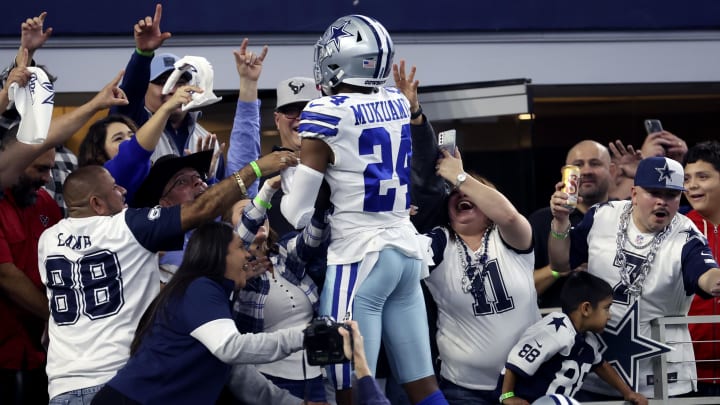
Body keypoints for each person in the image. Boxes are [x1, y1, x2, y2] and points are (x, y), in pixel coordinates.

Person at [37, 152, 294, 404]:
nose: (124, 191)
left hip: (62, 387)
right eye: (115, 188)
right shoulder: (125, 226)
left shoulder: (47, 240)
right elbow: (203, 208)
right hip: (116, 379)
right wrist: (255, 169)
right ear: (97, 204)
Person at [280, 15, 445, 405]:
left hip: (359, 259)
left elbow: (295, 210)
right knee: (423, 386)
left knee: (350, 390)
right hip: (405, 253)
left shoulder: (325, 112)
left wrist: (281, 174)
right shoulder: (395, 101)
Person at [548, 156, 720, 399]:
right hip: (596, 369)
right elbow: (560, 263)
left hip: (664, 377)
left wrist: (716, 281)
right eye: (654, 192)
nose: (662, 201)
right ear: (635, 193)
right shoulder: (601, 216)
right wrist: (560, 220)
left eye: (671, 195)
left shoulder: (687, 234)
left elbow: (707, 276)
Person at [89, 221, 306, 404]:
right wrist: (304, 337)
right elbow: (231, 349)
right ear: (219, 255)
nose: (247, 255)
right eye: (240, 247)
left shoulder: (209, 292)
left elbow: (238, 373)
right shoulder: (200, 287)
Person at [417, 147, 539, 405]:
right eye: (455, 193)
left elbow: (507, 215)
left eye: (473, 191)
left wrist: (460, 177)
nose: (461, 193)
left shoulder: (507, 236)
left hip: (528, 380)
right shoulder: (441, 240)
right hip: (464, 388)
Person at [230, 176, 330, 402]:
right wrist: (266, 192)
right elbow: (242, 235)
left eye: (262, 213)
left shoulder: (283, 253)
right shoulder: (231, 273)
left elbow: (311, 239)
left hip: (316, 372)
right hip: (270, 378)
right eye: (244, 212)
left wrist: (322, 205)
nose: (259, 216)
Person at [497, 272, 647, 405]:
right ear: (586, 309)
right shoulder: (556, 328)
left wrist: (628, 393)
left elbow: (601, 366)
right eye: (606, 308)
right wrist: (507, 396)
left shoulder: (588, 339)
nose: (609, 316)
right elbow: (516, 361)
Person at [110, 3, 224, 176]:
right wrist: (143, 54)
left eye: (181, 82)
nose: (173, 90)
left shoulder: (207, 140)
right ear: (145, 88)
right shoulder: (133, 124)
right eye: (162, 82)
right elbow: (130, 94)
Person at [224, 37, 320, 235]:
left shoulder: (339, 168)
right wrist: (248, 84)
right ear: (277, 120)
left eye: (308, 110)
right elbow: (245, 145)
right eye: (291, 111)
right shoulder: (261, 175)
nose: (300, 118)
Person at [0, 145, 61, 404]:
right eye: (40, 168)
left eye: (50, 168)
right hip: (5, 348)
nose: (47, 178)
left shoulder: (44, 201)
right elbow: (6, 276)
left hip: (41, 352)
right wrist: (60, 317)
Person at [78, 83, 202, 204]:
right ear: (99, 152)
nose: (129, 141)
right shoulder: (109, 176)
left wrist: (205, 174)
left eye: (132, 136)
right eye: (118, 138)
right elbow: (135, 152)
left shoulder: (151, 178)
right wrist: (167, 107)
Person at [529, 140, 616, 309]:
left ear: (612, 170)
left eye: (595, 163)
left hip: (618, 320)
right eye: (578, 165)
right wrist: (559, 268)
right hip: (555, 325)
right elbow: (520, 289)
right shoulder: (541, 221)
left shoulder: (625, 214)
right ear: (565, 173)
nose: (586, 171)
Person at [683, 140, 720, 397]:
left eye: (702, 177)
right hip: (687, 371)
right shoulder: (676, 229)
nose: (692, 185)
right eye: (686, 178)